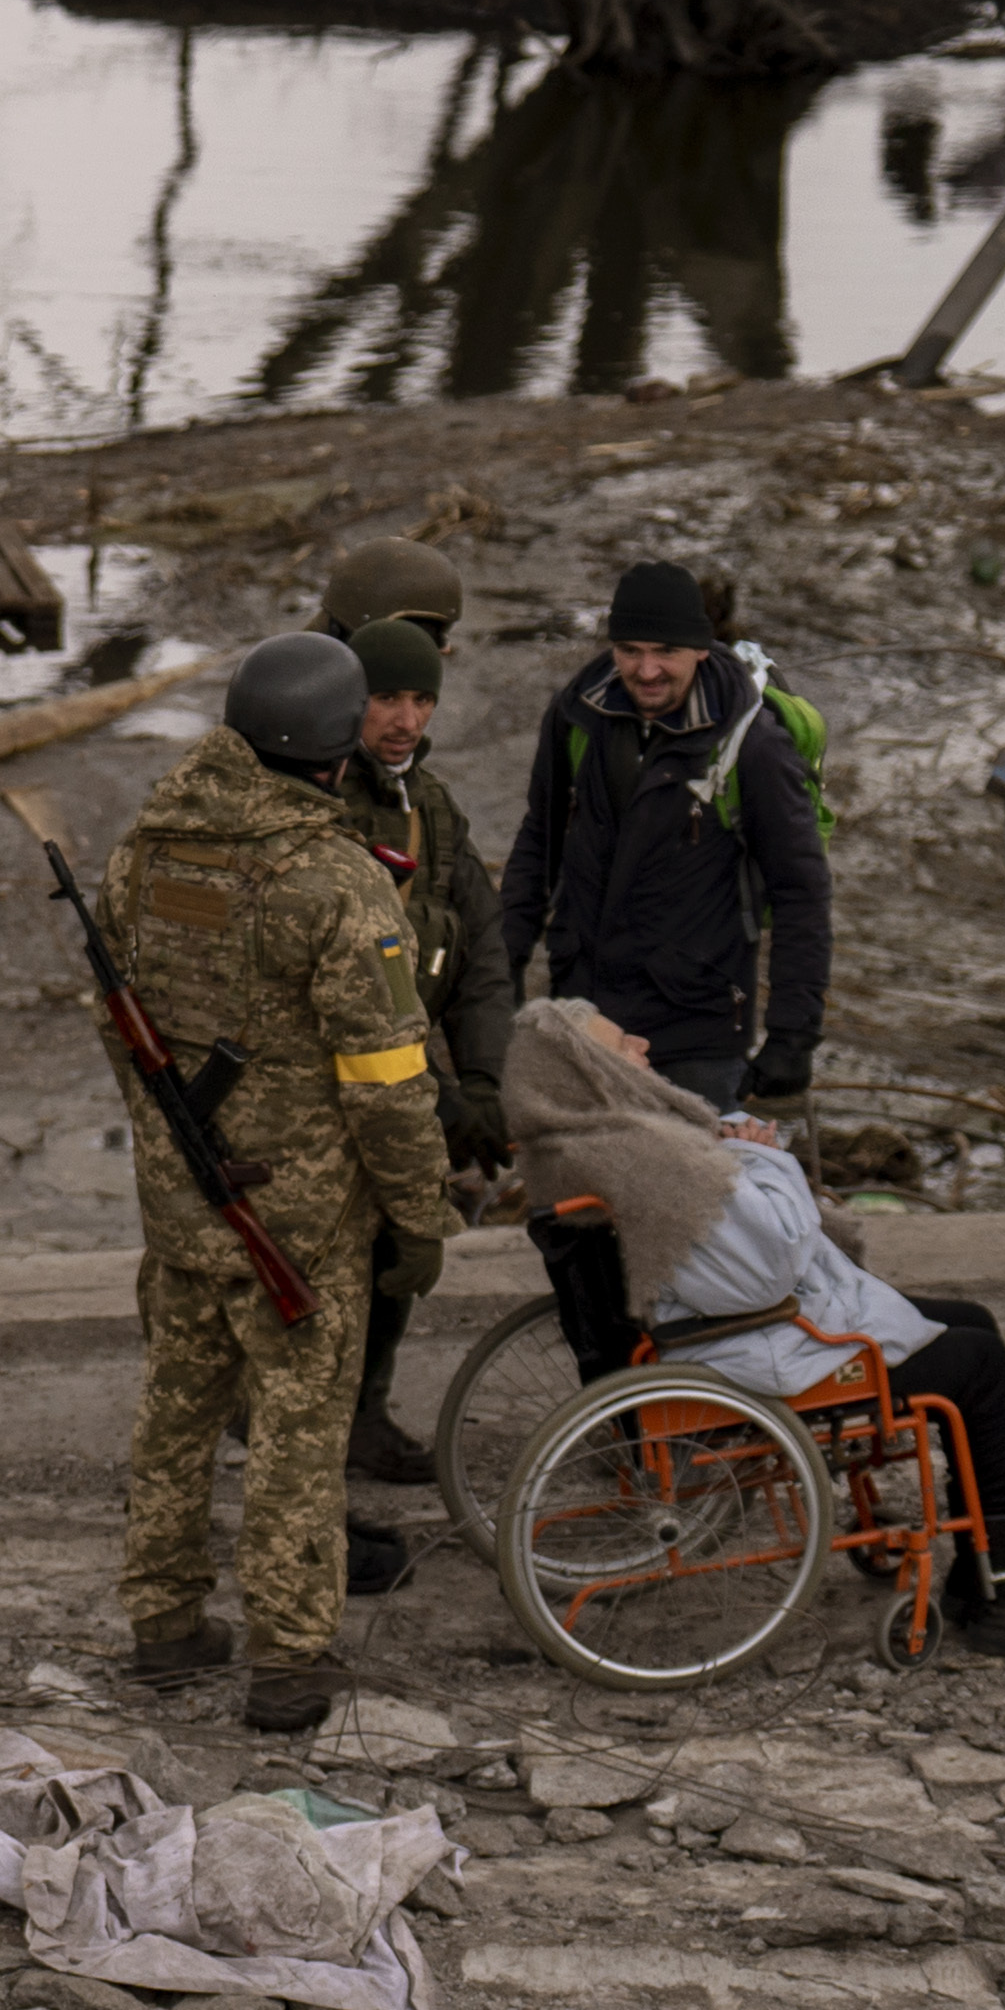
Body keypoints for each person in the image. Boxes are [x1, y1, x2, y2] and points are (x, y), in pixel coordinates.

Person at [503, 1003, 1005, 1659]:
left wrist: (732, 1152)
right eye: (620, 1045)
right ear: (594, 1074)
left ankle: (988, 1569)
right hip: (750, 1345)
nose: (641, 1040)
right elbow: (769, 1268)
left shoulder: (600, 1141)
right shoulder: (648, 1156)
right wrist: (763, 1157)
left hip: (715, 1333)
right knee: (979, 1365)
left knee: (972, 1322)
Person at [100, 631, 459, 1736]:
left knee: (175, 1415)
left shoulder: (143, 855)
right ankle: (289, 1660)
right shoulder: (335, 882)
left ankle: (164, 1626)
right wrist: (419, 1215)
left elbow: (125, 1032)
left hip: (183, 1205)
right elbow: (387, 1081)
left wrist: (168, 1157)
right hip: (300, 1223)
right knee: (298, 1440)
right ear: (337, 749)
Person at [496, 560, 832, 1372]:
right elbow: (537, 848)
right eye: (630, 651)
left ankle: (708, 1406)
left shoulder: (752, 743)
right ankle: (615, 1403)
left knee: (696, 1240)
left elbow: (803, 892)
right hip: (590, 1026)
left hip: (697, 1032)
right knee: (577, 1230)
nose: (646, 671)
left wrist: (792, 1038)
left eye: (666, 654)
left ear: (701, 649)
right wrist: (497, 979)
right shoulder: (577, 714)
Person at [321, 557, 513, 1496]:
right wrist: (440, 1100)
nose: (405, 719)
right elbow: (341, 983)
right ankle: (304, 1431)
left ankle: (360, 1415)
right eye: (386, 697)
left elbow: (482, 950)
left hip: (406, 1073)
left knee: (406, 1241)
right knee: (332, 1260)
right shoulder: (315, 792)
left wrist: (485, 1081)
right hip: (334, 1083)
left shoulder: (426, 803)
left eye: (421, 697)